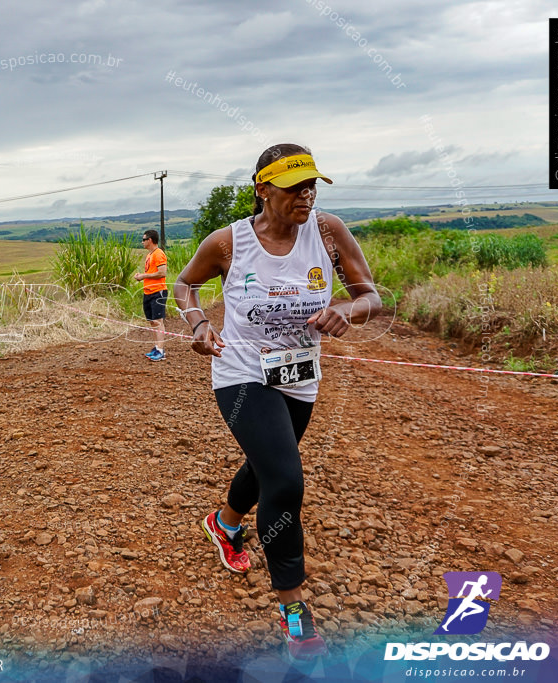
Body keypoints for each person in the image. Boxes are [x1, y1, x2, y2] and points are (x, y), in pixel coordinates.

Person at [174, 143, 381, 660]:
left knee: (267, 464)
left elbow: (371, 294)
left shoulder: (329, 232)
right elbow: (185, 285)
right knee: (285, 479)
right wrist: (198, 324)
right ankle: (294, 611)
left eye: (312, 185)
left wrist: (349, 312)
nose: (306, 195)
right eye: (295, 187)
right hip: (241, 373)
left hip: (299, 374)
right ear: (263, 189)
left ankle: (223, 523)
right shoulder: (228, 243)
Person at [134, 229, 168, 361]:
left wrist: (143, 276)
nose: (142, 242)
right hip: (148, 292)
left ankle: (160, 350)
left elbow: (162, 273)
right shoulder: (149, 255)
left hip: (157, 292)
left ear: (150, 240)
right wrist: (142, 277)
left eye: (143, 239)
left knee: (158, 321)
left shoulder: (159, 254)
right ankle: (157, 347)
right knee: (152, 322)